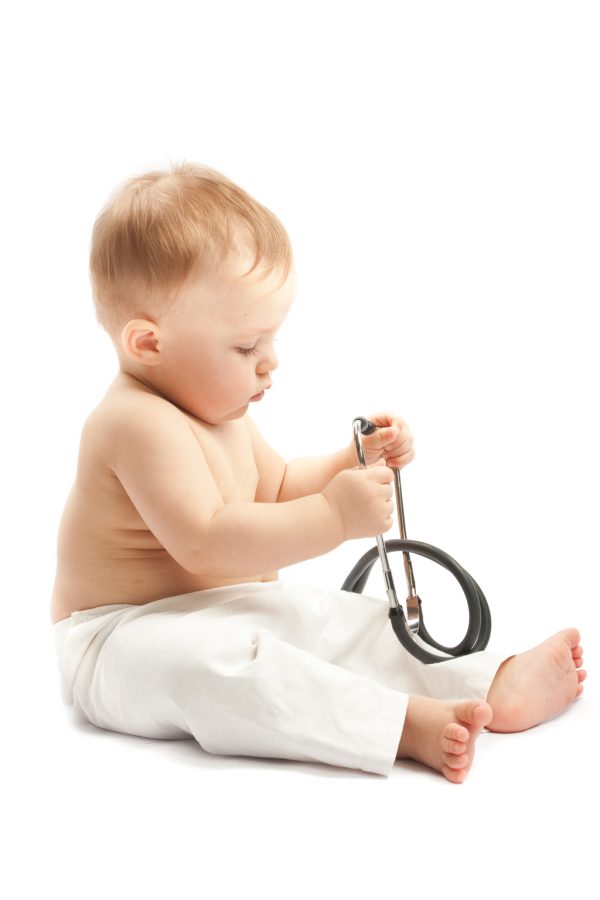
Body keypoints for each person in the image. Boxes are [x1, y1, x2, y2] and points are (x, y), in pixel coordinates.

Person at [50, 162, 586, 783]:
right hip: (119, 641)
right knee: (220, 670)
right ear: (148, 343)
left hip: (230, 609)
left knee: (337, 620)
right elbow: (206, 541)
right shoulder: (133, 423)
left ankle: (487, 681)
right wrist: (334, 516)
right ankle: (399, 725)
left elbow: (277, 490)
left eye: (271, 340)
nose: (270, 362)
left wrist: (351, 462)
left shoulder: (216, 412)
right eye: (246, 346)